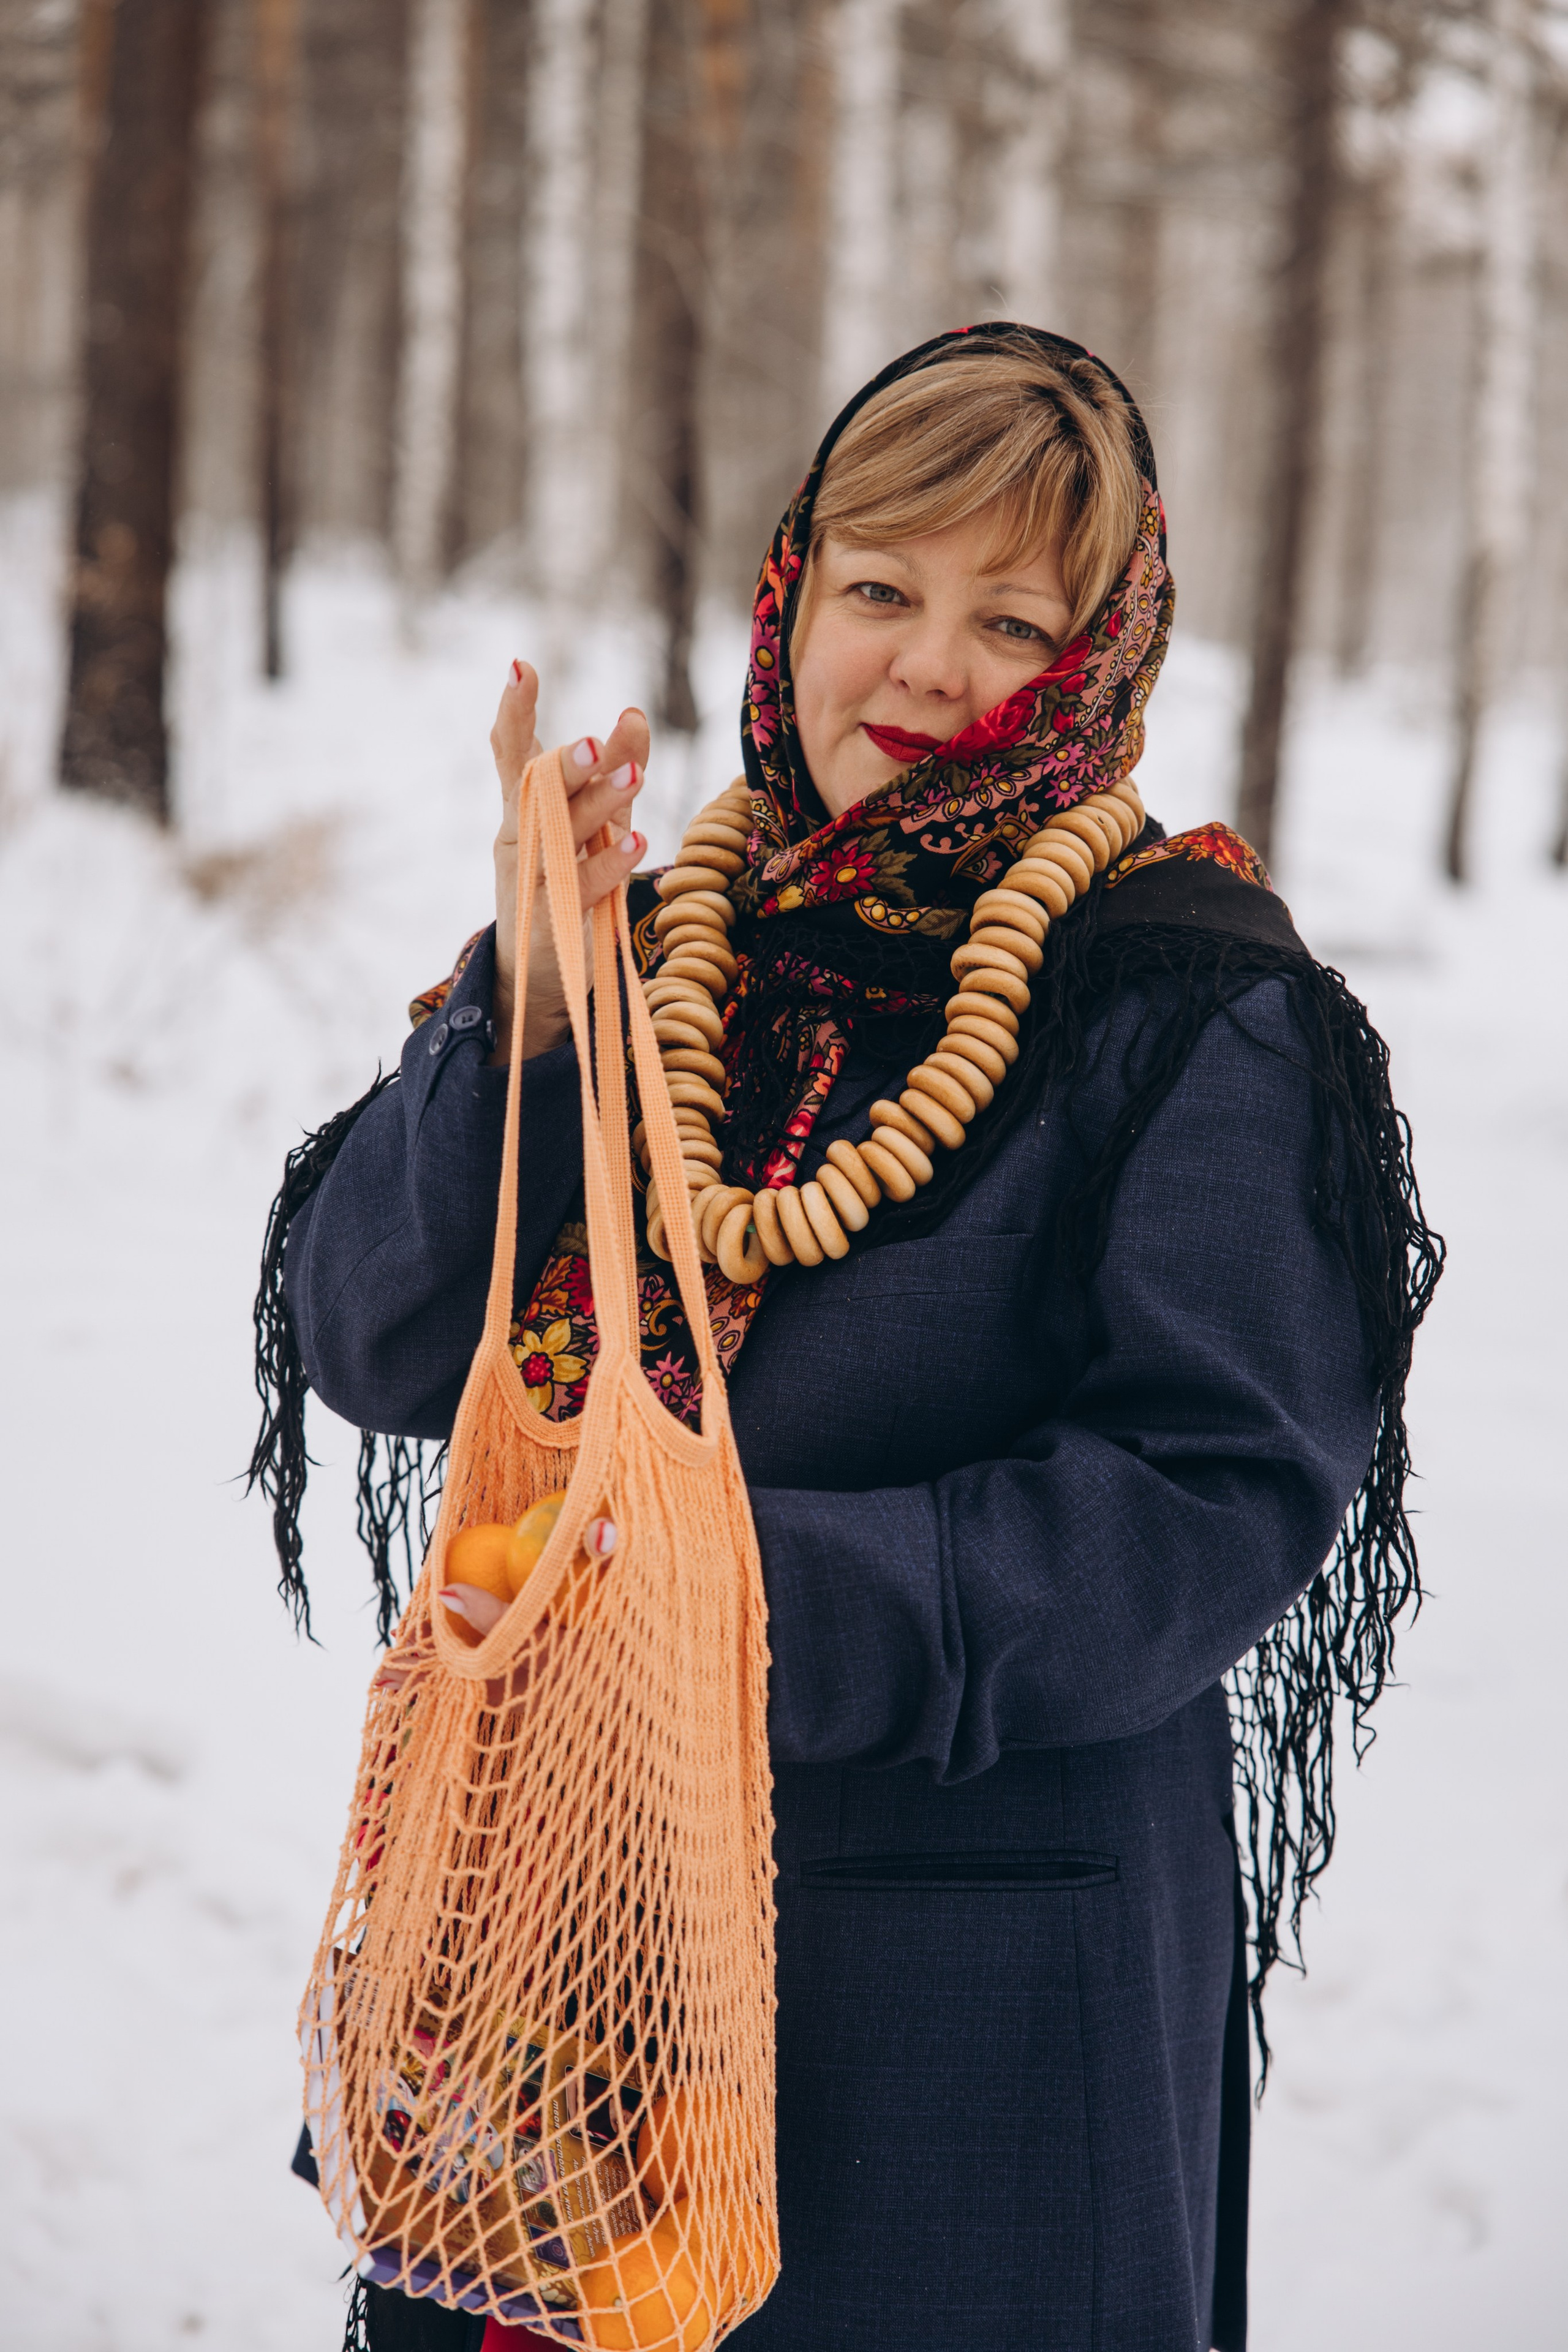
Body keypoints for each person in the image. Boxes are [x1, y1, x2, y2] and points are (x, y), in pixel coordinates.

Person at [257, 325, 1440, 2352]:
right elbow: (367, 1333)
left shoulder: (1190, 1003)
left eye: (1010, 620)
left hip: (960, 2003)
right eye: (884, 589)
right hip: (552, 1979)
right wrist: (521, 1006)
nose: (923, 666)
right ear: (793, 592)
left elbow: (1206, 1503)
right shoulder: (655, 947)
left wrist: (724, 1598)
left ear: (1103, 658)